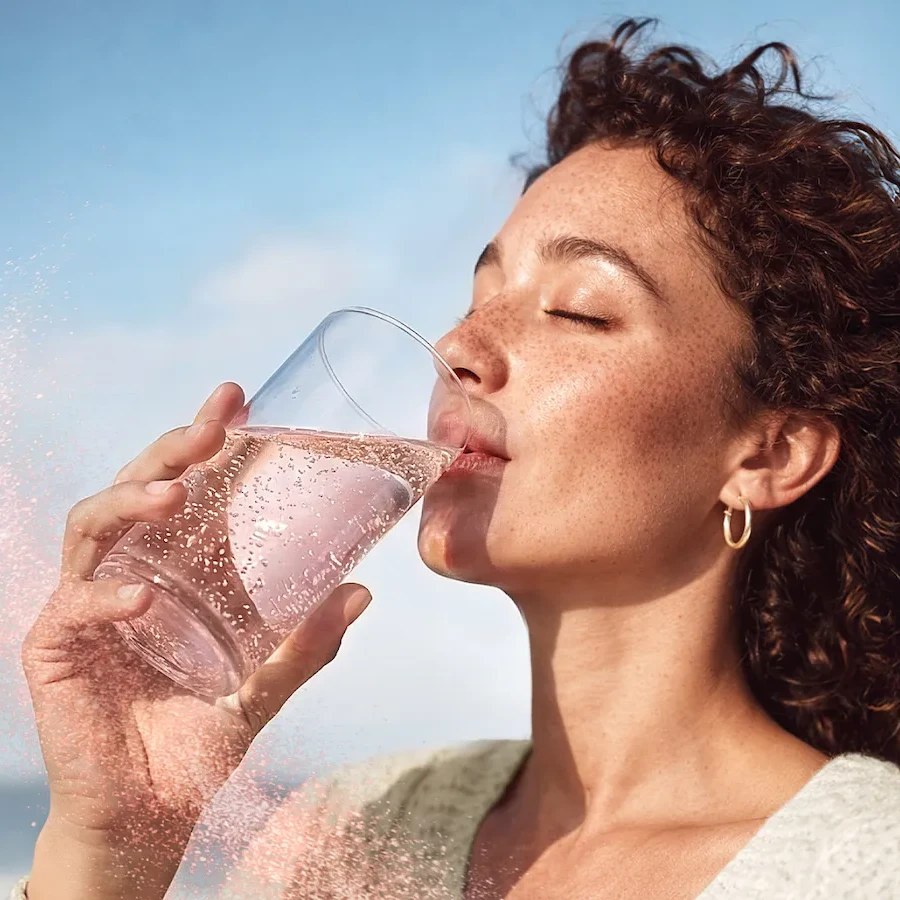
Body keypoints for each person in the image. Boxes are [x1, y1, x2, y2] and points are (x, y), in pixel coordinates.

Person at [13, 17, 900, 900]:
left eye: (580, 311)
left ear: (770, 456)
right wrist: (112, 851)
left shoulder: (869, 863)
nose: (460, 347)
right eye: (478, 296)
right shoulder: (345, 836)